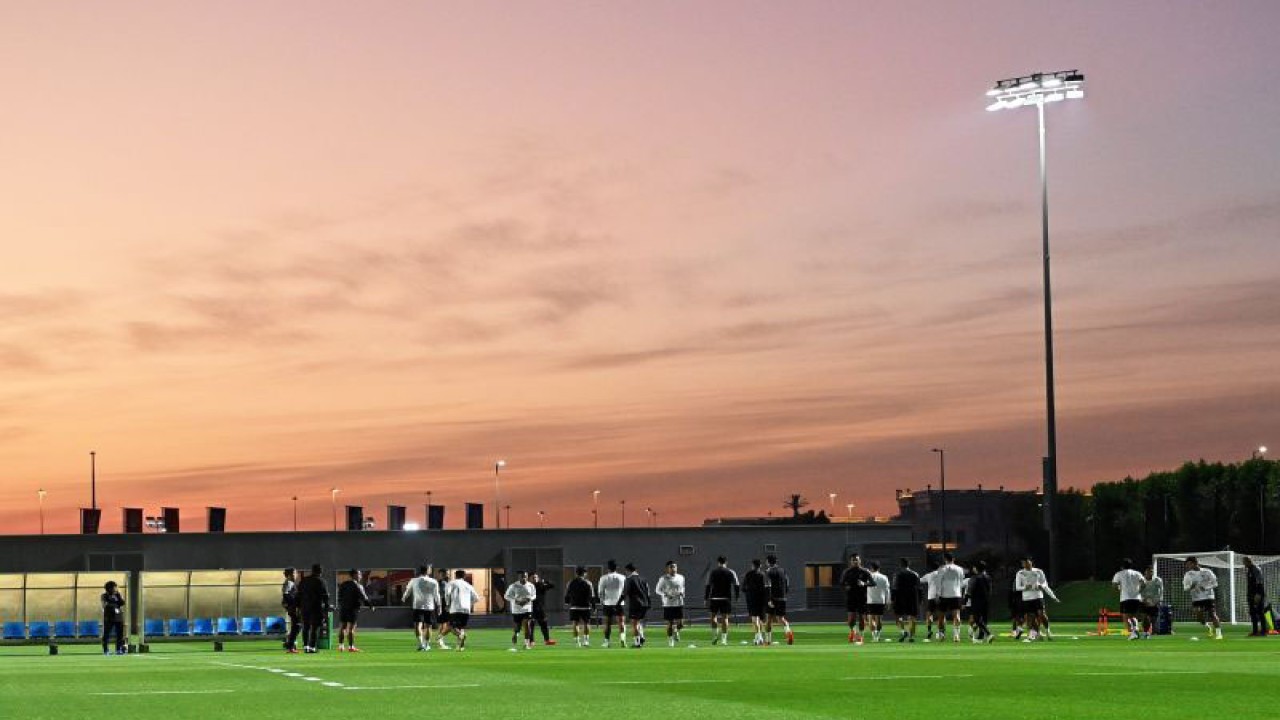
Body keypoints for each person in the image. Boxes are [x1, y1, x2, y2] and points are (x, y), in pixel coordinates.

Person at [401, 564, 442, 651]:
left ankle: (421, 644)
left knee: (417, 625)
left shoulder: (414, 580)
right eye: (430, 569)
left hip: (417, 606)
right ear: (427, 570)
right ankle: (426, 645)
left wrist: (403, 598)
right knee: (428, 626)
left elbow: (408, 591)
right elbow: (436, 595)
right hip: (429, 606)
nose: (430, 570)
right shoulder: (433, 581)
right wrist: (439, 606)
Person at [1182, 556, 1223, 640]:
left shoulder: (1207, 572)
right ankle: (1208, 627)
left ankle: (1219, 634)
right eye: (1187, 564)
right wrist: (1191, 587)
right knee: (1198, 614)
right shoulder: (1188, 574)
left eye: (1189, 564)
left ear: (1195, 563)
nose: (1187, 566)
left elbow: (1215, 584)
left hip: (1208, 597)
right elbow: (1185, 588)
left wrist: (1206, 587)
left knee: (1212, 614)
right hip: (1196, 598)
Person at [705, 555, 740, 646]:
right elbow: (736, 585)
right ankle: (724, 640)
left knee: (713, 617)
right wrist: (737, 597)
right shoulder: (731, 572)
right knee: (725, 618)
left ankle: (714, 636)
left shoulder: (713, 572)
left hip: (714, 598)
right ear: (726, 562)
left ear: (718, 562)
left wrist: (706, 598)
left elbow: (708, 585)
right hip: (726, 598)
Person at [336, 569, 374, 652]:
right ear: (354, 575)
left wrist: (341, 605)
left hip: (343, 608)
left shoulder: (343, 584)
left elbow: (339, 596)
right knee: (351, 628)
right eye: (359, 574)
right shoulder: (358, 585)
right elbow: (364, 597)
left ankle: (341, 646)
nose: (360, 576)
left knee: (343, 627)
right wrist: (371, 606)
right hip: (353, 608)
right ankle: (351, 647)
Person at [839, 554, 872, 645]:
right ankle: (854, 632)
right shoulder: (847, 572)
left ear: (860, 561)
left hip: (862, 598)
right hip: (851, 597)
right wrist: (846, 586)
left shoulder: (865, 571)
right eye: (853, 560)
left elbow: (873, 583)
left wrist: (864, 584)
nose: (855, 562)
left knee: (861, 618)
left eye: (857, 560)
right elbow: (841, 583)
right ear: (851, 561)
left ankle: (861, 636)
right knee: (851, 620)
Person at [297, 564, 330, 654]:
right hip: (316, 607)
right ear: (320, 571)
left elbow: (298, 594)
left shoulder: (304, 581)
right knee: (315, 628)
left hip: (304, 607)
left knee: (306, 627)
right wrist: (327, 607)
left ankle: (305, 647)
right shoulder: (321, 581)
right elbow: (325, 596)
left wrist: (299, 606)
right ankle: (312, 647)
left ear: (312, 570)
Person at [1015, 557, 1049, 642]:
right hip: (1027, 598)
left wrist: (1042, 586)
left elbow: (1044, 583)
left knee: (1041, 614)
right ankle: (1031, 635)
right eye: (1023, 563)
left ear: (1031, 562)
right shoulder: (1020, 573)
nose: (1025, 564)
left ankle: (1048, 630)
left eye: (1027, 562)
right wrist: (1025, 587)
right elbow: (1017, 587)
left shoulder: (1039, 571)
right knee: (1030, 617)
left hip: (1038, 596)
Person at [444, 569, 479, 651]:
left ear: (455, 575)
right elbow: (476, 598)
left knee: (452, 627)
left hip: (455, 608)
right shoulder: (468, 585)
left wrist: (447, 604)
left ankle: (461, 636)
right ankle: (460, 647)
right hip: (466, 609)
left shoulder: (451, 583)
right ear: (464, 576)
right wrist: (469, 603)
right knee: (461, 628)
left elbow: (447, 594)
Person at [1112, 558, 1146, 640]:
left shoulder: (1119, 574)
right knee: (1134, 616)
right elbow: (1144, 583)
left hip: (1125, 598)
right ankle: (1135, 630)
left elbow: (1114, 585)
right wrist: (1139, 591)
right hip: (1136, 598)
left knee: (1126, 617)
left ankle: (1133, 633)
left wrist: (1119, 589)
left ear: (1122, 566)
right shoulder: (1137, 573)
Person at [936, 552, 966, 643]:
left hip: (944, 595)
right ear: (953, 559)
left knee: (941, 616)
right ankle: (956, 635)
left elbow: (938, 583)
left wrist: (937, 594)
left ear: (945, 559)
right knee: (956, 615)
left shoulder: (942, 569)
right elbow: (962, 582)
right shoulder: (960, 569)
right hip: (956, 594)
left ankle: (941, 634)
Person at [655, 560, 687, 647]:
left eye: (675, 567)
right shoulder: (663, 578)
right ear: (667, 569)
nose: (673, 568)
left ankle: (676, 630)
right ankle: (670, 641)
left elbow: (682, 587)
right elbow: (657, 590)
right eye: (671, 567)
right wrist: (665, 594)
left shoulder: (681, 577)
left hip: (679, 603)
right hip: (668, 604)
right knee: (670, 623)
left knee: (681, 624)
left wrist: (682, 592)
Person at [741, 559, 772, 646]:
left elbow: (743, 588)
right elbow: (766, 588)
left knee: (754, 619)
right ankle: (758, 638)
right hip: (761, 600)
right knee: (760, 619)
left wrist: (749, 591)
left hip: (751, 599)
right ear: (760, 566)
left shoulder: (748, 574)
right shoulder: (763, 575)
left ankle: (759, 637)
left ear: (752, 565)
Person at [564, 566, 596, 647]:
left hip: (574, 606)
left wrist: (567, 603)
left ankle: (577, 642)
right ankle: (586, 641)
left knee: (575, 623)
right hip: (586, 606)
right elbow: (592, 596)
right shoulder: (588, 583)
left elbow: (567, 595)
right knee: (586, 623)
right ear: (584, 573)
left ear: (576, 573)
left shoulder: (570, 582)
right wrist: (594, 606)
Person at [598, 560, 627, 648]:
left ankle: (607, 642)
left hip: (608, 603)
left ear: (608, 568)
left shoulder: (603, 578)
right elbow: (625, 591)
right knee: (621, 622)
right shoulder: (622, 577)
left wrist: (602, 601)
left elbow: (600, 592)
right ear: (616, 567)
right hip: (620, 603)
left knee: (607, 624)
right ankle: (623, 640)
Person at [764, 555, 793, 645]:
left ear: (768, 562)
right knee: (781, 618)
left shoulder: (768, 571)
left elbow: (768, 585)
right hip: (782, 597)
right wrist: (785, 592)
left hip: (773, 598)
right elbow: (787, 582)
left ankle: (768, 641)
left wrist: (769, 599)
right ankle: (788, 632)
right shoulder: (782, 570)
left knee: (769, 619)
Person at [504, 570, 536, 651]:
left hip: (527, 609)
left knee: (527, 625)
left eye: (525, 576)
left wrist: (529, 599)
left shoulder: (531, 585)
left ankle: (526, 644)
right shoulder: (513, 586)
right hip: (517, 610)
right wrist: (515, 600)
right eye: (522, 576)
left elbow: (534, 595)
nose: (524, 578)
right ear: (519, 577)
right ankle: (516, 634)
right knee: (518, 627)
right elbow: (506, 596)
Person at [892, 558, 920, 643]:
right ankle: (911, 637)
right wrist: (920, 599)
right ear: (909, 564)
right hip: (912, 597)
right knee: (912, 617)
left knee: (898, 617)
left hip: (900, 597)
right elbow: (919, 588)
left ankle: (903, 631)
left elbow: (894, 587)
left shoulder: (897, 574)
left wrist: (892, 599)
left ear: (901, 565)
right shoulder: (915, 574)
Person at [622, 562, 651, 647]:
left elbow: (625, 593)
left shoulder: (629, 579)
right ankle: (641, 636)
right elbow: (648, 592)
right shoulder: (643, 579)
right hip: (645, 604)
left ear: (628, 570)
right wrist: (649, 603)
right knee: (638, 621)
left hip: (635, 604)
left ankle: (637, 643)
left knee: (634, 623)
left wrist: (619, 602)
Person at [966, 561, 993, 643]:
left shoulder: (975, 578)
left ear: (976, 568)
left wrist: (965, 601)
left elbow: (969, 591)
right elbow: (990, 589)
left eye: (974, 567)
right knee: (984, 619)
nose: (973, 568)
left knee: (977, 618)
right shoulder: (988, 577)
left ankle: (988, 634)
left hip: (976, 600)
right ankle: (980, 638)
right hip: (986, 600)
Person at [530, 572, 557, 645]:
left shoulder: (541, 585)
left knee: (544, 625)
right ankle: (531, 641)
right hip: (531, 609)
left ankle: (547, 640)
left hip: (541, 609)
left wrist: (545, 581)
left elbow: (552, 585)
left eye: (536, 577)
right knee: (531, 625)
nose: (534, 579)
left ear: (538, 578)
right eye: (533, 577)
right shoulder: (528, 586)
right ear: (530, 579)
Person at [1244, 556, 1267, 637]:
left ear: (1249, 561)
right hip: (1251, 594)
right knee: (1252, 612)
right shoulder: (1248, 570)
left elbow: (1260, 582)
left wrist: (1258, 594)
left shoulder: (1256, 569)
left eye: (1245, 562)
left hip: (1257, 594)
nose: (1244, 564)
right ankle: (1255, 631)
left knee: (1260, 612)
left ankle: (1264, 631)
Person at [101, 580, 126, 655]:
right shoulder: (104, 595)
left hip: (118, 617)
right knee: (107, 634)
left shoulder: (117, 595)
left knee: (120, 634)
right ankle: (106, 650)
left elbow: (122, 603)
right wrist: (114, 602)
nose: (116, 588)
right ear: (110, 588)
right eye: (114, 587)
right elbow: (105, 605)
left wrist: (118, 596)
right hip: (109, 617)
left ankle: (118, 649)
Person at [1138, 565, 1164, 639]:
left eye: (1151, 571)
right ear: (1145, 572)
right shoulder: (1141, 580)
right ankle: (1145, 633)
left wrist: (1159, 600)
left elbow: (1161, 591)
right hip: (1144, 602)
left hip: (1154, 602)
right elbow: (1138, 591)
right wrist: (1142, 600)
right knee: (1145, 618)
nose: (1150, 573)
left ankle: (1154, 634)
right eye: (1148, 571)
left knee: (1154, 621)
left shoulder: (1157, 580)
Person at [281, 567, 301, 654]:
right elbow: (285, 595)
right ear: (289, 575)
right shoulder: (289, 583)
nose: (295, 575)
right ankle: (290, 645)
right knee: (296, 627)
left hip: (293, 608)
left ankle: (290, 644)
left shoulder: (291, 583)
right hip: (293, 609)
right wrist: (294, 604)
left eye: (296, 573)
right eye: (294, 573)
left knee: (296, 627)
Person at [919, 562, 940, 641]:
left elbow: (919, 580)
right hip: (940, 597)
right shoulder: (942, 574)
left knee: (929, 615)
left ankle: (929, 631)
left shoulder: (929, 575)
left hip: (931, 597)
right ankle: (939, 633)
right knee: (939, 615)